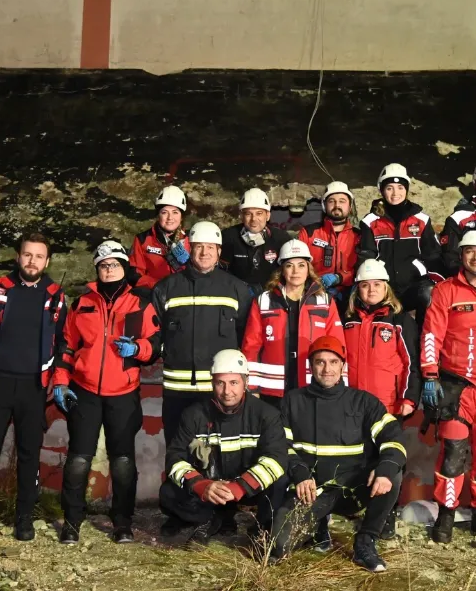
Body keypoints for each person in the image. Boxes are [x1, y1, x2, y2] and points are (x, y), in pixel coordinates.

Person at [0, 233, 66, 543]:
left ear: (47, 261)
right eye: (27, 254)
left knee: (29, 455)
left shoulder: (56, 295)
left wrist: (57, 378)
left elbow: (63, 341)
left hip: (34, 386)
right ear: (18, 257)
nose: (32, 261)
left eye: (39, 256)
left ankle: (24, 519)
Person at [54, 240, 161, 545]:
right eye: (103, 265)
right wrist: (60, 381)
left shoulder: (140, 304)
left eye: (114, 265)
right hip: (84, 391)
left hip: (123, 393)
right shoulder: (82, 304)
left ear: (124, 268)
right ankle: (72, 521)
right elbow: (67, 346)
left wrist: (137, 348)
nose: (109, 270)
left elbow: (156, 343)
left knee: (123, 462)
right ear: (97, 270)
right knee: (78, 459)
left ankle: (122, 523)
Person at [270, 336, 407, 573]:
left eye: (333, 362)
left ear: (343, 365)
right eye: (320, 362)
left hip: (353, 489)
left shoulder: (363, 401)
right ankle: (319, 524)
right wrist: (300, 473)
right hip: (312, 491)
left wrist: (385, 469)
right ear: (311, 366)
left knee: (392, 474)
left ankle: (365, 540)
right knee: (279, 546)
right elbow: (281, 445)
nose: (327, 369)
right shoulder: (293, 401)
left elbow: (393, 437)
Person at [151, 221, 253, 536]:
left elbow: (245, 338)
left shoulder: (236, 289)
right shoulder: (167, 288)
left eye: (210, 247)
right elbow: (154, 334)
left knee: (222, 452)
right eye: (198, 247)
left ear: (219, 251)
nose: (204, 252)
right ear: (189, 249)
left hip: (217, 392)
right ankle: (179, 512)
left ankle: (225, 514)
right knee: (178, 450)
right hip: (177, 390)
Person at [421, 228, 476, 544]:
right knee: (453, 453)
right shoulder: (446, 291)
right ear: (461, 255)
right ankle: (446, 513)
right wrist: (429, 375)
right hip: (456, 388)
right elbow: (431, 334)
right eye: (469, 251)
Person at [159, 349, 287, 546]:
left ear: (246, 382)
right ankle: (210, 519)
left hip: (248, 490)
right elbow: (174, 457)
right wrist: (201, 485)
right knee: (168, 493)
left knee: (280, 482)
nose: (227, 391)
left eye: (234, 382)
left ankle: (262, 528)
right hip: (211, 490)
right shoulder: (194, 414)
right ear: (212, 383)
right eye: (220, 383)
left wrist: (240, 486)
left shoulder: (266, 414)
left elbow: (276, 459)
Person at [241, 239, 344, 408]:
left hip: (313, 386)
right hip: (272, 390)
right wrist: (251, 387)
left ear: (308, 269)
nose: (296, 271)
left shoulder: (324, 301)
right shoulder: (264, 301)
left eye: (301, 265)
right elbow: (251, 347)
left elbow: (337, 346)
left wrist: (339, 386)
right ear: (282, 270)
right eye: (289, 265)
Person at [358, 164, 441, 332]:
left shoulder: (421, 220)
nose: (395, 193)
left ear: (407, 189)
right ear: (382, 190)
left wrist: (438, 281)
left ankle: (425, 339)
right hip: (385, 287)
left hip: (414, 285)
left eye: (400, 187)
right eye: (389, 188)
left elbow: (433, 255)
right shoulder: (370, 221)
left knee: (430, 293)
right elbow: (366, 256)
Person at [344, 259, 420, 419]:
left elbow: (411, 362)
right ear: (357, 289)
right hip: (350, 403)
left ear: (386, 288)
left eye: (377, 284)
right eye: (365, 285)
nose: (371, 290)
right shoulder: (347, 322)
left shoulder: (400, 320)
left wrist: (409, 398)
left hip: (388, 406)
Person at [297, 181, 360, 296]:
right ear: (324, 206)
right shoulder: (308, 233)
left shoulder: (359, 236)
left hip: (350, 295)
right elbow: (297, 265)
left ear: (350, 206)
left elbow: (362, 268)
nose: (337, 205)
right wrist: (315, 283)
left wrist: (340, 278)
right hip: (314, 292)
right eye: (331, 201)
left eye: (342, 201)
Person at [219, 188, 289, 291]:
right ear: (241, 216)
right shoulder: (228, 237)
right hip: (236, 292)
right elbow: (220, 272)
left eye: (259, 213)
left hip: (272, 293)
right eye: (248, 214)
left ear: (268, 215)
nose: (253, 219)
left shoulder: (281, 238)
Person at [130, 185, 190, 289]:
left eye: (175, 212)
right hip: (154, 292)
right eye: (164, 212)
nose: (170, 218)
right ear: (158, 215)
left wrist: (189, 264)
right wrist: (159, 286)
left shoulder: (191, 239)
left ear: (181, 217)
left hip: (183, 292)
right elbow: (134, 275)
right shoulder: (143, 240)